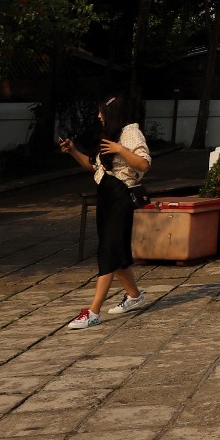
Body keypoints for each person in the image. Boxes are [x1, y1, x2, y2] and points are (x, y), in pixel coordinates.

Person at [61, 97, 152, 330]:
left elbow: (143, 164)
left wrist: (120, 148)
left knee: (107, 251)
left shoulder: (130, 133)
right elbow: (95, 167)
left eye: (101, 113)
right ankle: (134, 295)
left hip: (121, 196)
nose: (98, 117)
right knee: (114, 251)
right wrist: (73, 151)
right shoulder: (108, 135)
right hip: (107, 196)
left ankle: (93, 311)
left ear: (112, 113)